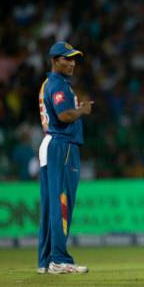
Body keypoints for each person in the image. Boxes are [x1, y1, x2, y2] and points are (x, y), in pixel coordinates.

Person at [37, 41, 92, 274]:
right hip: (62, 145)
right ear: (54, 60)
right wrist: (82, 110)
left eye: (73, 59)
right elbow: (64, 114)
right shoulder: (58, 85)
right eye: (66, 59)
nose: (71, 63)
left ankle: (46, 260)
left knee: (51, 206)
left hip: (52, 143)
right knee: (62, 204)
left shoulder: (50, 83)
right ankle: (59, 259)